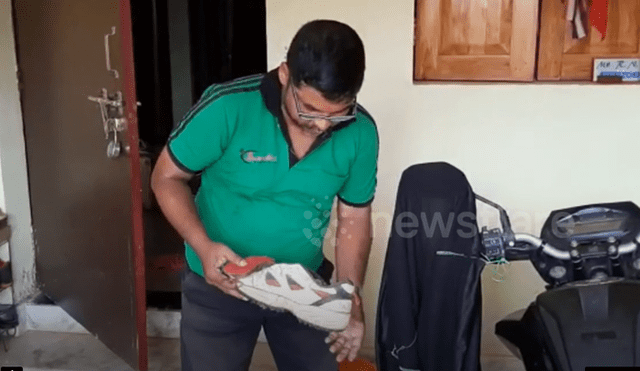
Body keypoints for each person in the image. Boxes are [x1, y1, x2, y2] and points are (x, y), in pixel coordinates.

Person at [151, 19, 379, 371]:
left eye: (337, 115)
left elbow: (354, 217)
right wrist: (203, 245)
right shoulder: (228, 108)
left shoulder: (360, 132)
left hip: (304, 285)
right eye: (310, 110)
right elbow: (166, 178)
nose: (321, 125)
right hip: (219, 281)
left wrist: (349, 295)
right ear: (285, 74)